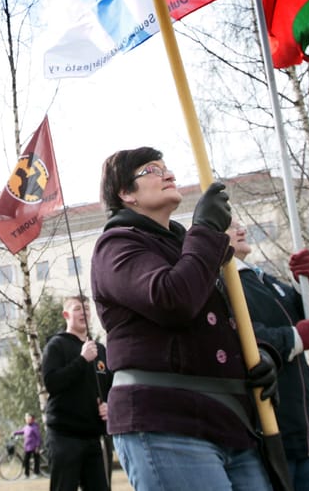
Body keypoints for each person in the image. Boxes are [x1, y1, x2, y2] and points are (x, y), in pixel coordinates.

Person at [89, 147, 278, 491]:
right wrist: (205, 229)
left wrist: (260, 355)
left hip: (230, 421)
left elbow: (222, 321)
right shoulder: (115, 247)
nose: (168, 174)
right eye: (151, 170)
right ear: (126, 193)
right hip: (166, 421)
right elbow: (173, 299)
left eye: (166, 167)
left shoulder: (189, 249)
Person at [228, 223, 309, 491]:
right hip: (268, 429)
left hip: (307, 427)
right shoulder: (223, 284)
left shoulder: (262, 279)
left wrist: (305, 285)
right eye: (229, 226)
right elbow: (241, 338)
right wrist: (294, 338)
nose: (240, 228)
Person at [41, 296, 108, 491]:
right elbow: (52, 383)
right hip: (64, 435)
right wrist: (82, 359)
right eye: (78, 309)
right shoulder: (56, 345)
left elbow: (109, 386)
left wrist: (108, 405)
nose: (84, 312)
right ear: (66, 315)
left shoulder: (100, 350)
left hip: (92, 436)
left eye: (87, 309)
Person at [14, 415, 42, 479]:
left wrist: (37, 446)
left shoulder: (34, 427)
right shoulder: (26, 427)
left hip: (34, 447)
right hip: (27, 447)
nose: (27, 420)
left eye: (29, 419)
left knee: (36, 460)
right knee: (26, 461)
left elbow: (38, 437)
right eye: (26, 419)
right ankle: (27, 474)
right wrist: (15, 433)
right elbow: (22, 431)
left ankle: (36, 473)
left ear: (32, 420)